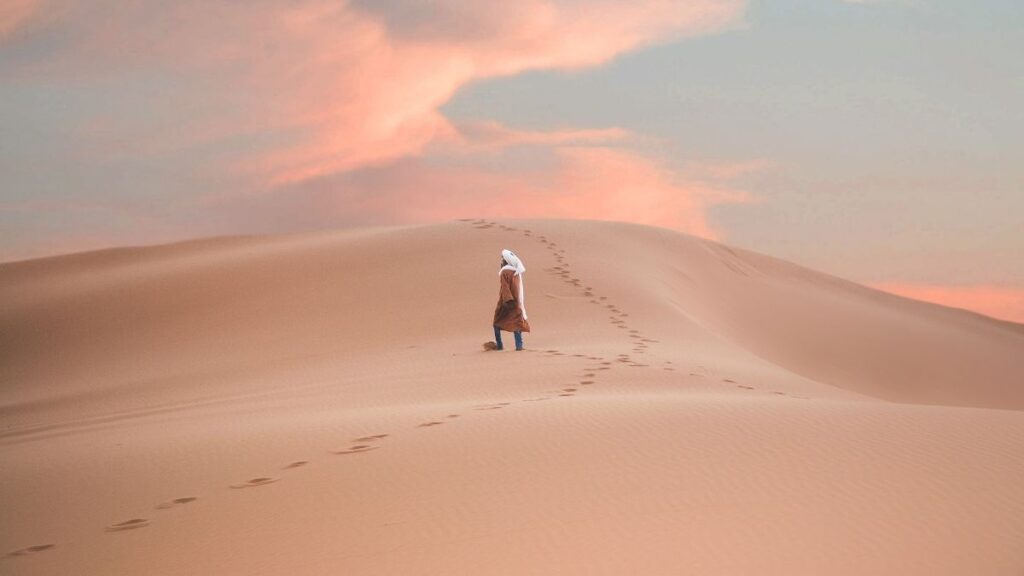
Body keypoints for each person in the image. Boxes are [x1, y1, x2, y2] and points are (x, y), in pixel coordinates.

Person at [491, 248, 530, 351]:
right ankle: (519, 346)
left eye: (502, 258)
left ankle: (499, 346)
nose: (501, 260)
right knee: (517, 322)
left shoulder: (505, 272)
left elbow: (505, 287)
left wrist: (507, 300)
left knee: (496, 323)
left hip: (506, 302)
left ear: (506, 260)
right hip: (517, 302)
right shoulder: (516, 271)